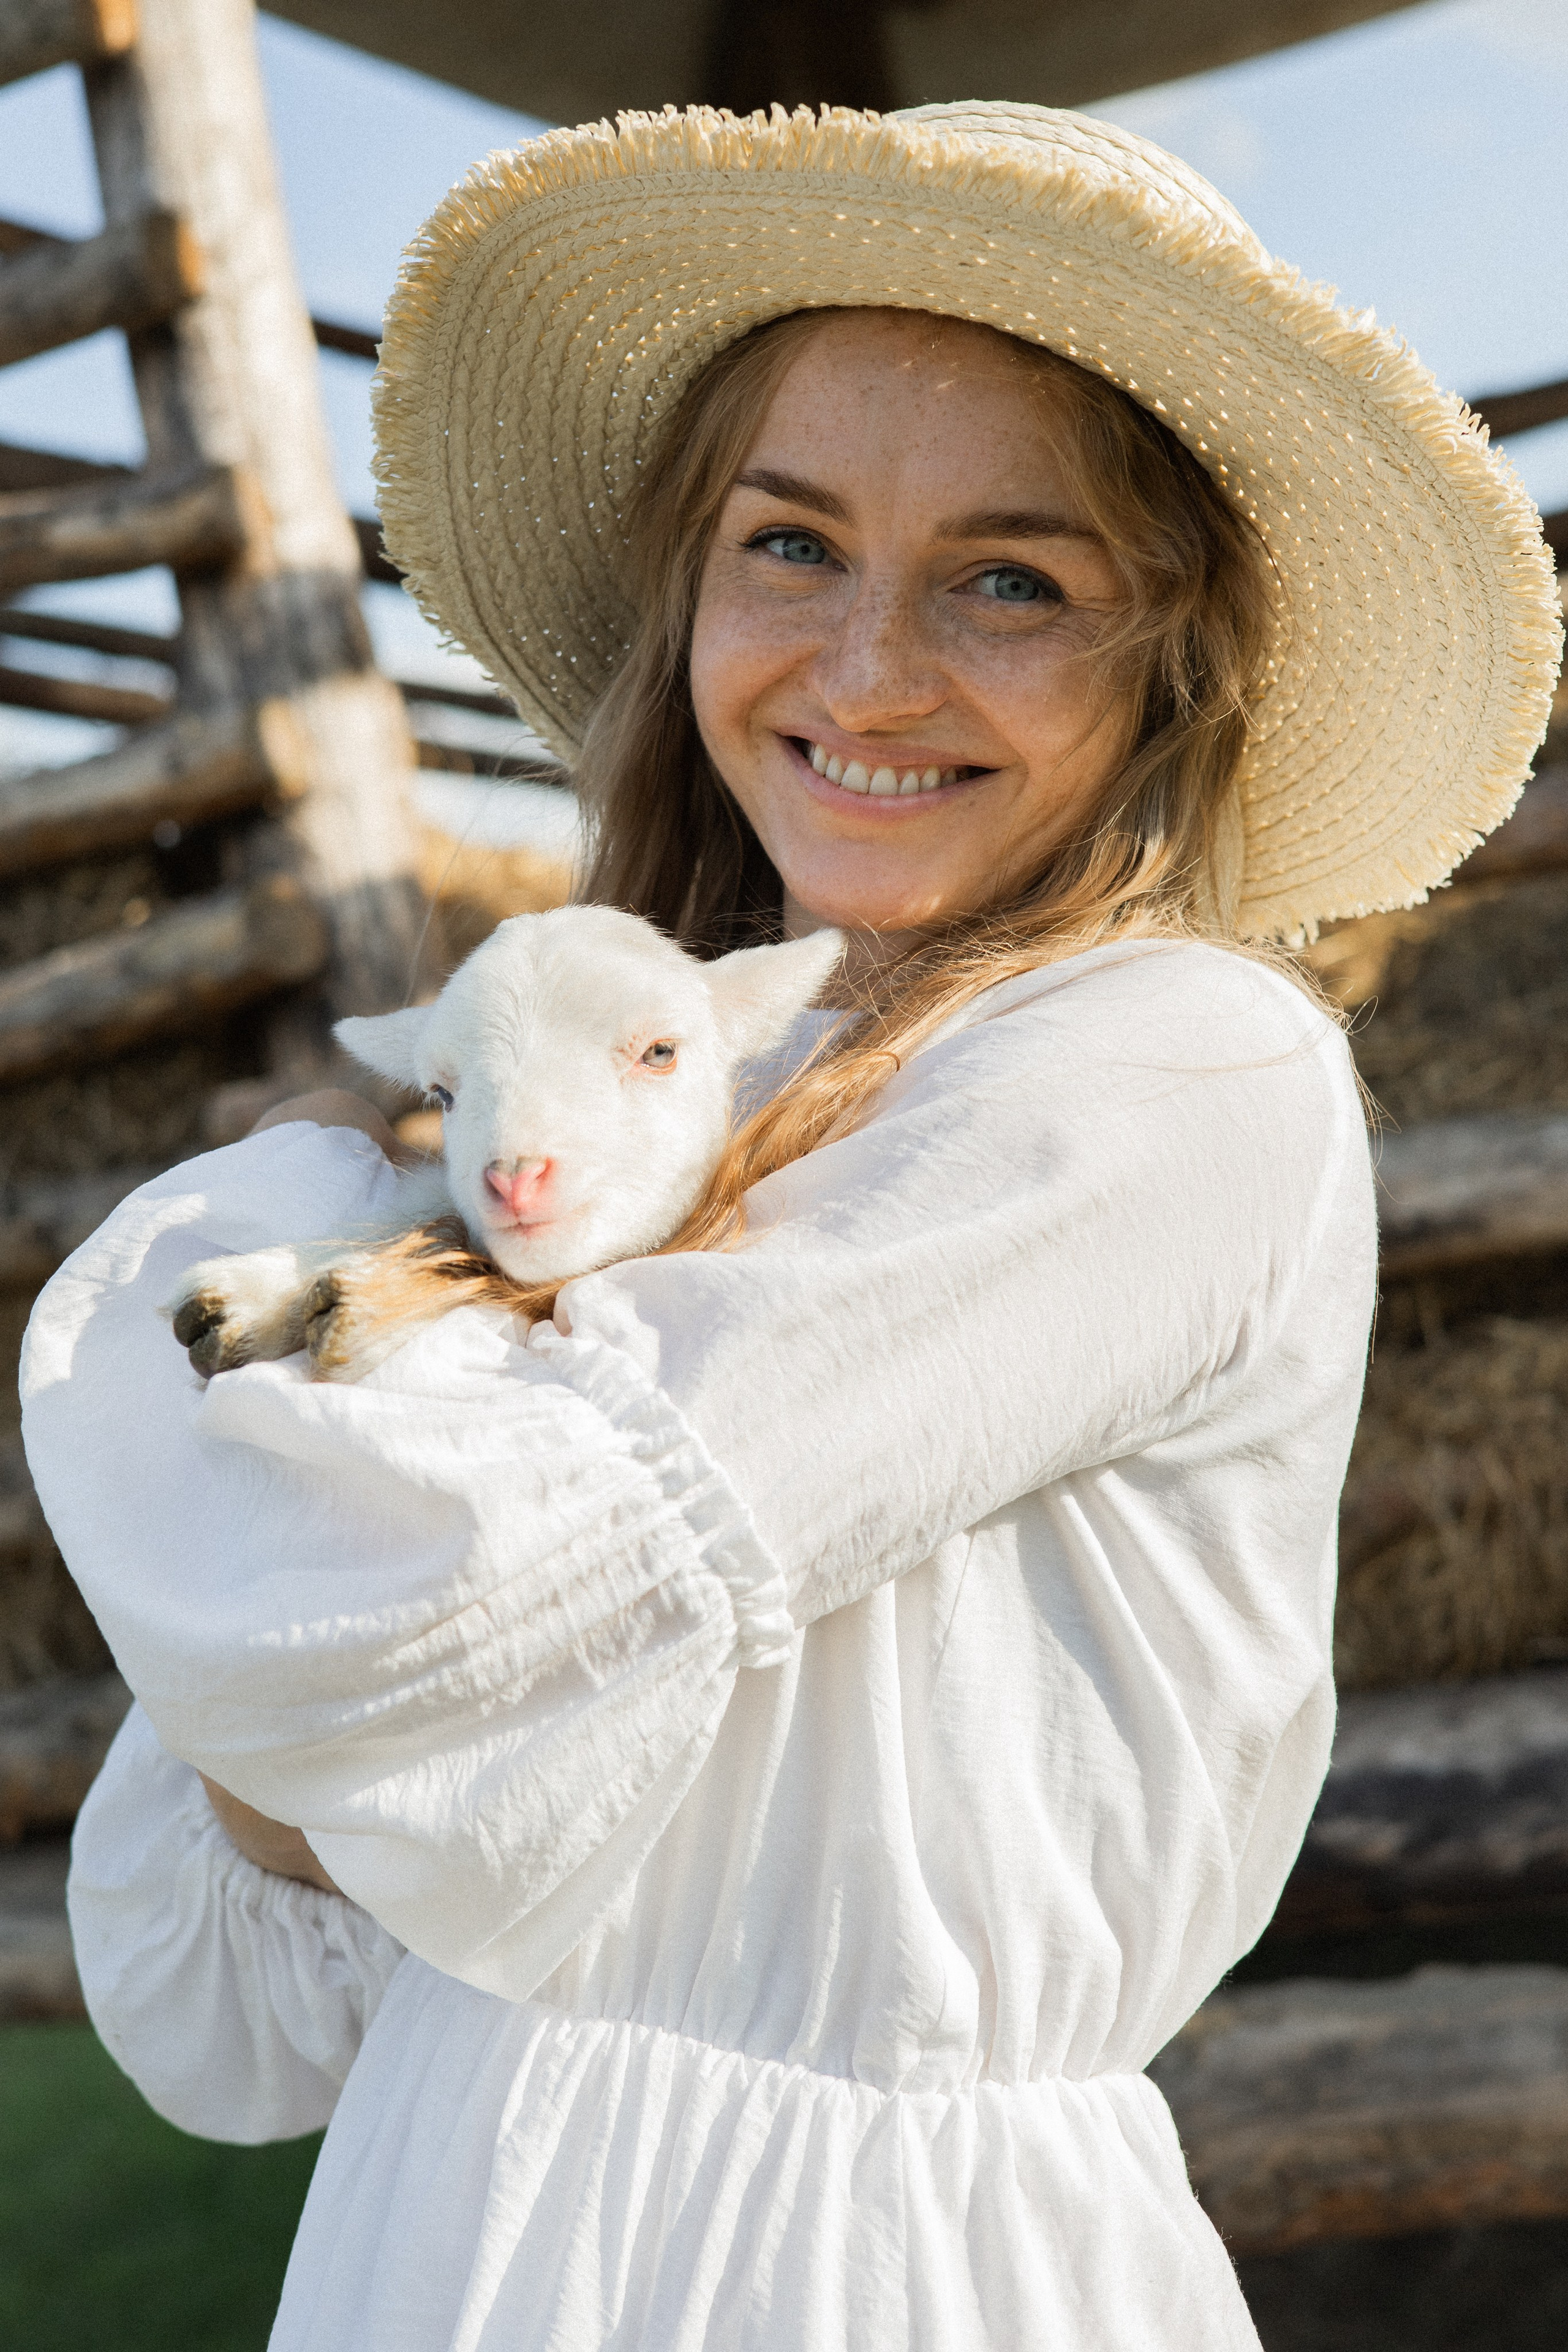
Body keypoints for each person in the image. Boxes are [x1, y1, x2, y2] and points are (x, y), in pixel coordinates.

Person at [22, 101, 1559, 2352]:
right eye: (792, 543)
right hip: (465, 2220)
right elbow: (248, 2002)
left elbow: (373, 1593)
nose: (866, 670)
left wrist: (306, 1195)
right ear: (690, 581)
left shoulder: (1169, 1077)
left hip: (857, 2270)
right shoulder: (664, 1116)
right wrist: (319, 1644)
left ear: (1172, 664)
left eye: (1011, 579)